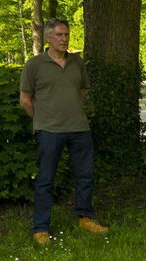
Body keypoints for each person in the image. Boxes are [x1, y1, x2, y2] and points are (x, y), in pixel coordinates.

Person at [19, 19, 108, 245]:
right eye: (59, 35)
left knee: (85, 176)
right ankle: (40, 228)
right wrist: (41, 120)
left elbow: (81, 91)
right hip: (49, 131)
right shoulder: (35, 65)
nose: (64, 38)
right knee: (46, 180)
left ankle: (86, 217)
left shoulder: (77, 62)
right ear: (48, 38)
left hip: (80, 129)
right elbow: (25, 100)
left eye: (66, 34)